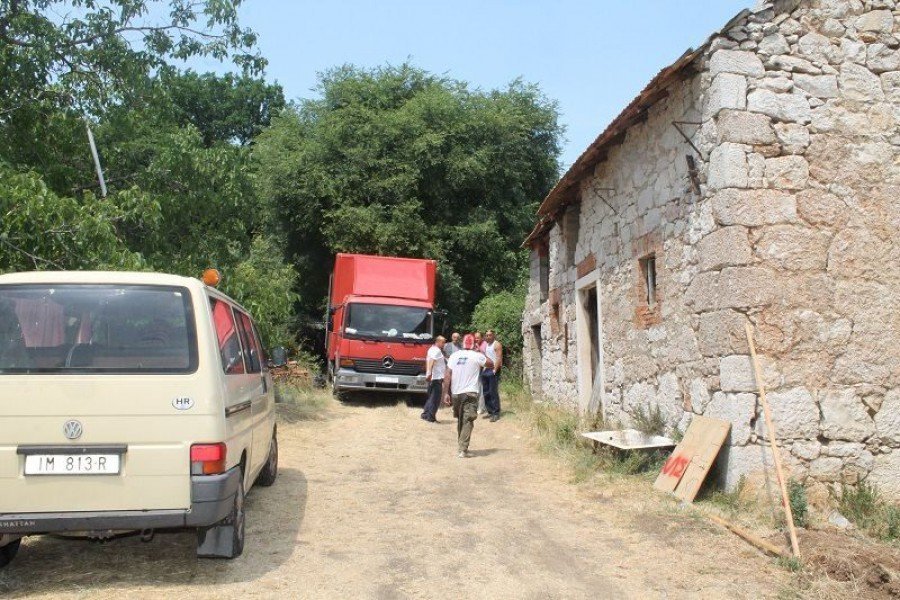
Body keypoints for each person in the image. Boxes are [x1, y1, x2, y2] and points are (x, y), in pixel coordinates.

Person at [443, 334, 493, 458]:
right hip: (470, 393)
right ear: (473, 345)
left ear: (462, 343)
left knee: (461, 419)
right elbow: (491, 364)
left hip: (456, 393)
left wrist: (445, 393)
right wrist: (481, 351)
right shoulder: (477, 356)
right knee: (468, 420)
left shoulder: (454, 356)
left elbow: (448, 374)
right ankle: (463, 449)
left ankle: (461, 445)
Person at [421, 335, 446, 423]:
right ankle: (431, 417)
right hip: (436, 378)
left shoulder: (431, 349)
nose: (444, 344)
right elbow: (431, 361)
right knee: (435, 399)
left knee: (430, 397)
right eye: (443, 342)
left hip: (433, 377)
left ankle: (425, 414)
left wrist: (428, 373)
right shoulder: (437, 351)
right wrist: (429, 372)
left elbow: (428, 360)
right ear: (438, 342)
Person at [482, 329, 503, 422]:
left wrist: (495, 369)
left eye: (490, 335)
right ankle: (490, 411)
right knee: (486, 392)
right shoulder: (487, 345)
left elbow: (498, 357)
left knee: (493, 391)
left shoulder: (496, 344)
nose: (488, 337)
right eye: (486, 335)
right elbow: (487, 357)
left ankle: (496, 413)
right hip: (486, 369)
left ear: (493, 336)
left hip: (494, 369)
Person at [473, 331, 487, 415]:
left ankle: (481, 408)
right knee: (476, 388)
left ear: (482, 337)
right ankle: (477, 406)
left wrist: (478, 348)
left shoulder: (484, 344)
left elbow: (486, 357)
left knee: (481, 388)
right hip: (476, 369)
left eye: (478, 337)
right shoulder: (475, 345)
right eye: (475, 337)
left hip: (483, 369)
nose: (476, 339)